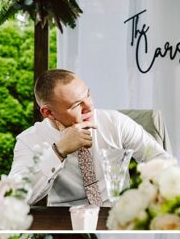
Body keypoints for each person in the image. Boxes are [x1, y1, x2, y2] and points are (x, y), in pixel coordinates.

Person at [9, 69, 171, 206]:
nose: (89, 106)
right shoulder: (29, 140)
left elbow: (162, 162)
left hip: (119, 215)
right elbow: (16, 199)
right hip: (67, 225)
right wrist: (58, 152)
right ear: (48, 113)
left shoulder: (116, 122)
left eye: (88, 95)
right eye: (76, 105)